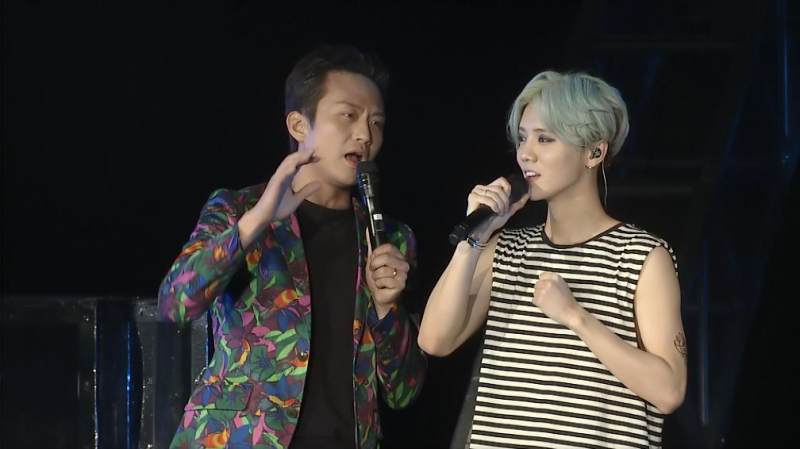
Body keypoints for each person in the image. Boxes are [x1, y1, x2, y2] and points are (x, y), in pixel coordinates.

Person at [158, 44, 426, 449]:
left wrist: (389, 309)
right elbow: (175, 304)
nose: (365, 135)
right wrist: (256, 222)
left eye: (377, 122)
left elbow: (404, 392)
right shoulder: (238, 208)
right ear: (299, 125)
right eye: (348, 116)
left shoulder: (391, 238)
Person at [418, 70, 687, 448]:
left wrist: (576, 317)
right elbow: (433, 340)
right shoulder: (508, 250)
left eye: (545, 139)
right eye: (522, 138)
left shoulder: (640, 256)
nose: (526, 153)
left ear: (594, 152)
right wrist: (473, 240)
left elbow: (669, 391)